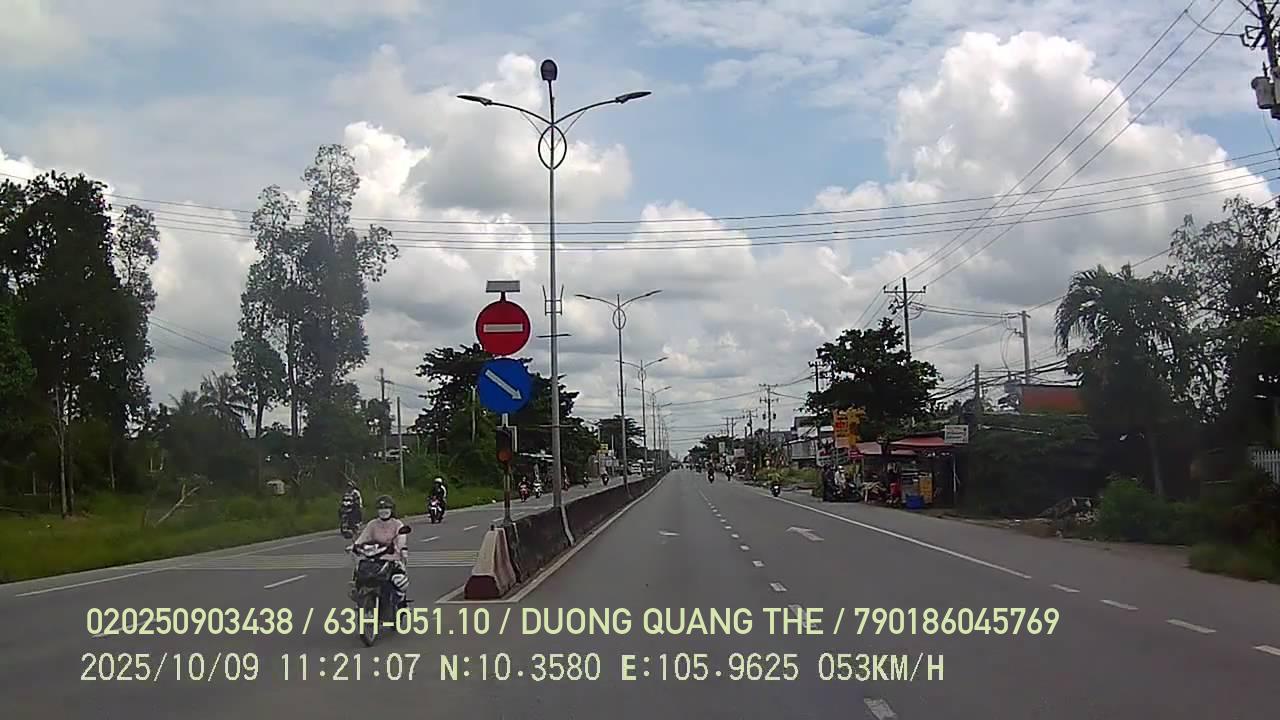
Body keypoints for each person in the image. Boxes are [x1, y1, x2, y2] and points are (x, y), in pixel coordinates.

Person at [353, 495, 409, 606]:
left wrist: (399, 547)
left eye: (386, 508)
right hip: (374, 559)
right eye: (381, 508)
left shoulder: (397, 524)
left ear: (392, 509)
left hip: (392, 559)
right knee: (360, 572)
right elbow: (363, 537)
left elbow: (401, 539)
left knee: (399, 580)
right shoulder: (372, 524)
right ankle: (360, 600)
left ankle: (401, 604)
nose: (383, 511)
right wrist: (355, 546)